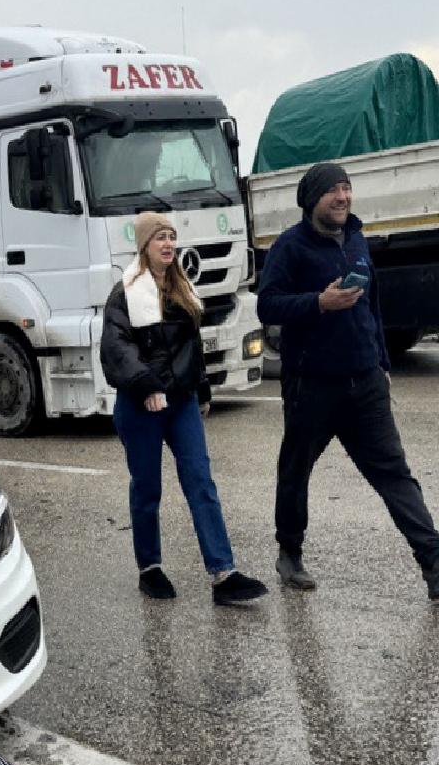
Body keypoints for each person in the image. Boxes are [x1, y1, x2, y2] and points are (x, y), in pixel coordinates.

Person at [257, 162, 439, 598]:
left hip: (365, 384)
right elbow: (268, 306)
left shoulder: (357, 239)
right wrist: (319, 302)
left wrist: (382, 365)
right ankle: (290, 553)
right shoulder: (290, 247)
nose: (343, 197)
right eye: (333, 191)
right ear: (311, 200)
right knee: (295, 472)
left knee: (395, 475)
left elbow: (372, 305)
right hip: (311, 385)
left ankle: (434, 564)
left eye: (347, 188)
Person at [102, 212, 268, 605]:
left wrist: (203, 388)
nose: (169, 244)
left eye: (172, 237)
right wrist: (147, 386)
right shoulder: (125, 292)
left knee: (201, 482)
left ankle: (224, 574)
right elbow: (116, 349)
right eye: (160, 237)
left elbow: (192, 346)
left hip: (181, 403)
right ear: (145, 245)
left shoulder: (183, 288)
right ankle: (150, 569)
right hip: (141, 405)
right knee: (147, 489)